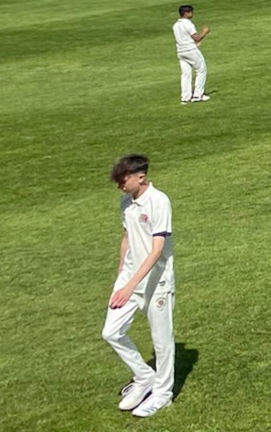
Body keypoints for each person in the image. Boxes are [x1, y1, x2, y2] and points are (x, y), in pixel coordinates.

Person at [103, 153, 176, 418]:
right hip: (129, 281)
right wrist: (121, 277)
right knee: (111, 332)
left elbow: (156, 250)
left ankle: (163, 394)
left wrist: (131, 283)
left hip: (156, 282)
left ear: (140, 177)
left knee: (161, 342)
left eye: (124, 180)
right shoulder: (126, 203)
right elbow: (127, 238)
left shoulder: (159, 201)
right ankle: (145, 377)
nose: (120, 185)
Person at [172, 5, 209, 103]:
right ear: (186, 13)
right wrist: (205, 32)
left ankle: (185, 97)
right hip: (191, 51)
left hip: (181, 52)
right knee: (201, 70)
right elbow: (196, 38)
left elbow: (184, 38)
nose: (192, 13)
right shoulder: (188, 24)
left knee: (185, 74)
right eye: (191, 12)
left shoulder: (176, 25)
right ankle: (198, 95)